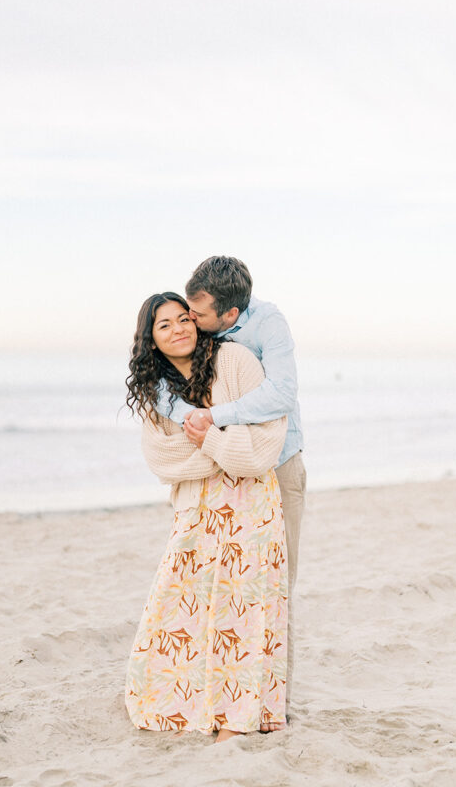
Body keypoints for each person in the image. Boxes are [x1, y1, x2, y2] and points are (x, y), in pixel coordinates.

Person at [124, 292, 289, 740]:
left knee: (243, 614)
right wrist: (226, 446)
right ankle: (185, 705)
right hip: (195, 509)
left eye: (184, 318)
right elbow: (163, 459)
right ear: (151, 340)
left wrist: (210, 441)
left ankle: (235, 720)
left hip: (251, 506)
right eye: (164, 325)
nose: (178, 329)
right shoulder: (156, 392)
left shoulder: (235, 361)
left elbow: (266, 442)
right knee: (180, 608)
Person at [154, 257, 306, 718]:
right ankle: (212, 695)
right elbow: (161, 384)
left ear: (230, 316)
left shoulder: (267, 326)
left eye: (197, 317)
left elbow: (281, 395)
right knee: (210, 588)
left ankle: (269, 705)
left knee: (274, 587)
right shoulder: (195, 326)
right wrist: (188, 417)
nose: (190, 323)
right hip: (213, 475)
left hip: (276, 465)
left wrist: (214, 418)